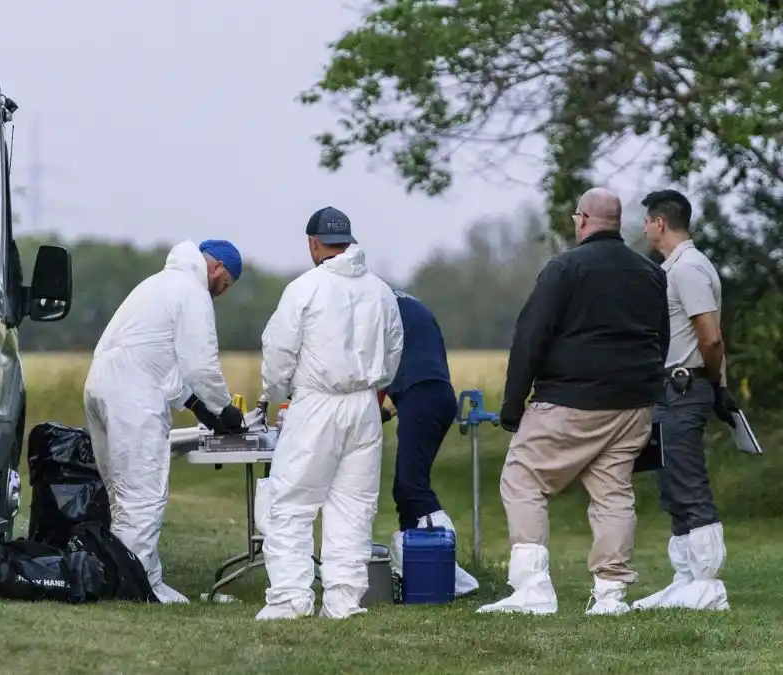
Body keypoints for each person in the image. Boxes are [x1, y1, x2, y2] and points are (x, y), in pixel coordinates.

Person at [478, 187, 669, 617]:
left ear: (581, 220)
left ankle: (532, 587)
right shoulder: (650, 272)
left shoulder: (565, 268)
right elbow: (662, 336)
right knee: (613, 491)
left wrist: (512, 407)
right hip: (634, 402)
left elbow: (531, 336)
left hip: (572, 399)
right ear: (617, 222)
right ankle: (610, 594)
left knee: (523, 477)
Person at [255, 206, 404, 620]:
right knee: (353, 505)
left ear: (313, 243)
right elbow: (393, 352)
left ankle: (290, 597)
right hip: (364, 408)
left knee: (291, 502)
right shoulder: (381, 290)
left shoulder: (305, 288)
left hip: (316, 403)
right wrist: (375, 387)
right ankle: (342, 599)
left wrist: (274, 394)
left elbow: (279, 350)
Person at [83, 239, 248, 605]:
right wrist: (224, 409)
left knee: (121, 496)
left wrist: (198, 408)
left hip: (100, 387)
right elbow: (201, 364)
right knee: (142, 496)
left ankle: (130, 577)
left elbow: (159, 361)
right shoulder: (193, 292)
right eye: (227, 284)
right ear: (219, 268)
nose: (223, 291)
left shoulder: (155, 285)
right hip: (132, 399)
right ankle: (137, 590)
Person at [633, 189, 738, 612]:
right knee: (671, 483)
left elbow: (710, 337)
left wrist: (717, 385)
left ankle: (708, 584)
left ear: (660, 222)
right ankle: (686, 578)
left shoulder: (689, 268)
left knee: (688, 483)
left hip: (683, 388)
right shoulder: (672, 268)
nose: (643, 228)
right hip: (668, 391)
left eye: (646, 221)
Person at [382, 290, 480, 596]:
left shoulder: (373, 304)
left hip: (421, 394)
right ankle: (417, 571)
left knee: (412, 486)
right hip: (430, 393)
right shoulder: (405, 302)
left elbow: (370, 371)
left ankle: (449, 573)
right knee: (406, 487)